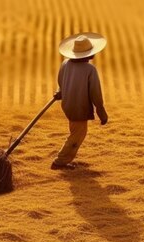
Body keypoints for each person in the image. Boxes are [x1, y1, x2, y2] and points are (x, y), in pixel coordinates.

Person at [51, 32, 108, 170]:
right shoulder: (90, 69)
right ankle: (60, 161)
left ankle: (63, 159)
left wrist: (60, 92)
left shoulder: (65, 63)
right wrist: (101, 112)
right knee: (77, 135)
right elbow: (95, 94)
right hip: (79, 107)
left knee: (75, 131)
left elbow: (61, 82)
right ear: (90, 54)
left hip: (68, 105)